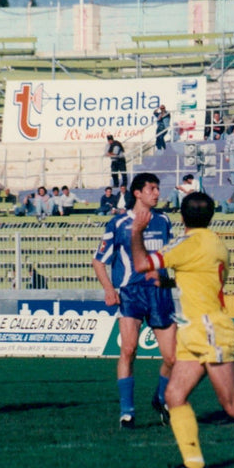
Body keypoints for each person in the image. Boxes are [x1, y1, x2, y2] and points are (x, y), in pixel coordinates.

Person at [130, 192, 234, 468]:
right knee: (174, 395)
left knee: (232, 403)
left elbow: (140, 264)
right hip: (195, 328)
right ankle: (193, 463)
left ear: (182, 217)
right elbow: (201, 274)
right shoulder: (216, 243)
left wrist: (137, 232)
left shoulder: (187, 242)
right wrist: (168, 279)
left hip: (208, 328)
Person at [92, 173, 176, 429]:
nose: (157, 193)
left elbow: (170, 255)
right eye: (151, 188)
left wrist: (171, 280)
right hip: (131, 292)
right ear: (137, 193)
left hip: (159, 292)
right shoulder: (118, 224)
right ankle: (127, 411)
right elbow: (99, 260)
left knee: (172, 358)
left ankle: (161, 398)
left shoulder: (163, 220)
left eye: (158, 188)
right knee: (128, 350)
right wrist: (109, 289)